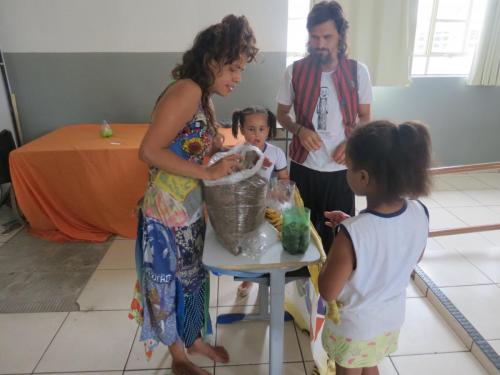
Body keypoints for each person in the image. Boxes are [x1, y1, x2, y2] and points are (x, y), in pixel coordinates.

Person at [129, 15, 258, 375]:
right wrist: (207, 170)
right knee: (166, 282)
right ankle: (179, 358)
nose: (237, 78)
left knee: (194, 276)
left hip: (188, 208)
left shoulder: (202, 96)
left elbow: (188, 144)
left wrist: (216, 150)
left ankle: (195, 339)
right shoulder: (186, 90)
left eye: (242, 70)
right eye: (233, 68)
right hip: (167, 212)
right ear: (210, 61)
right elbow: (150, 151)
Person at [318, 120, 432, 375]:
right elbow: (408, 254)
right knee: (370, 362)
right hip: (389, 320)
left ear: (363, 177)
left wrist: (336, 247)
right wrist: (353, 228)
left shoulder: (351, 235)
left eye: (347, 167)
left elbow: (328, 290)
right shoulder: (419, 212)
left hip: (355, 328)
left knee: (349, 369)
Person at [277, 0, 373, 253]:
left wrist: (351, 143)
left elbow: (365, 118)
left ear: (340, 36)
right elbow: (282, 114)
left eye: (327, 37)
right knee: (301, 231)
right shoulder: (294, 71)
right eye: (314, 37)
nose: (319, 44)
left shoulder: (357, 72)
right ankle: (302, 282)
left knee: (340, 234)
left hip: (342, 170)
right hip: (304, 166)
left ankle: (333, 286)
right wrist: (299, 129)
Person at [230, 106, 289, 298]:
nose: (257, 134)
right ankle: (250, 279)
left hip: (269, 205)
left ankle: (273, 275)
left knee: (272, 242)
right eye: (251, 129)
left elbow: (283, 179)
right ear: (242, 129)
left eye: (262, 129)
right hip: (245, 207)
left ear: (269, 129)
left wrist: (278, 191)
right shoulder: (237, 153)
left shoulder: (276, 153)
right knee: (251, 244)